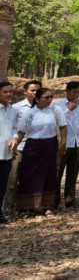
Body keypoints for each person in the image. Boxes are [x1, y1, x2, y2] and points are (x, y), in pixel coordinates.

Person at [15, 87, 67, 215]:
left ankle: (46, 206)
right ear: (37, 99)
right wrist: (15, 144)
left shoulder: (56, 110)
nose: (49, 100)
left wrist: (63, 142)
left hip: (49, 146)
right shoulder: (29, 113)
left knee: (49, 175)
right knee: (28, 175)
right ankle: (26, 207)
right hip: (32, 147)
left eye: (51, 97)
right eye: (46, 97)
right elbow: (21, 132)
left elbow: (63, 127)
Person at [4, 79, 40, 217]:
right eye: (32, 90)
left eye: (38, 90)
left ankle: (26, 207)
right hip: (19, 147)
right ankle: (8, 208)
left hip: (35, 148)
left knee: (30, 179)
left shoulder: (43, 107)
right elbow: (12, 127)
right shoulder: (16, 107)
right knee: (12, 179)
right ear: (25, 92)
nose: (35, 93)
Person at [53, 81, 79, 209]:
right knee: (58, 172)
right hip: (63, 144)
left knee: (73, 172)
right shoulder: (57, 105)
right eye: (74, 92)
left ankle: (70, 199)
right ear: (66, 91)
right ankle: (54, 201)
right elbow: (56, 122)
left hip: (78, 143)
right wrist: (68, 109)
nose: (77, 95)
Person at [0, 81, 16, 224]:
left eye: (10, 91)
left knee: (2, 184)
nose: (8, 94)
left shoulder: (13, 110)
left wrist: (15, 138)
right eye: (5, 92)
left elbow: (15, 128)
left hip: (7, 153)